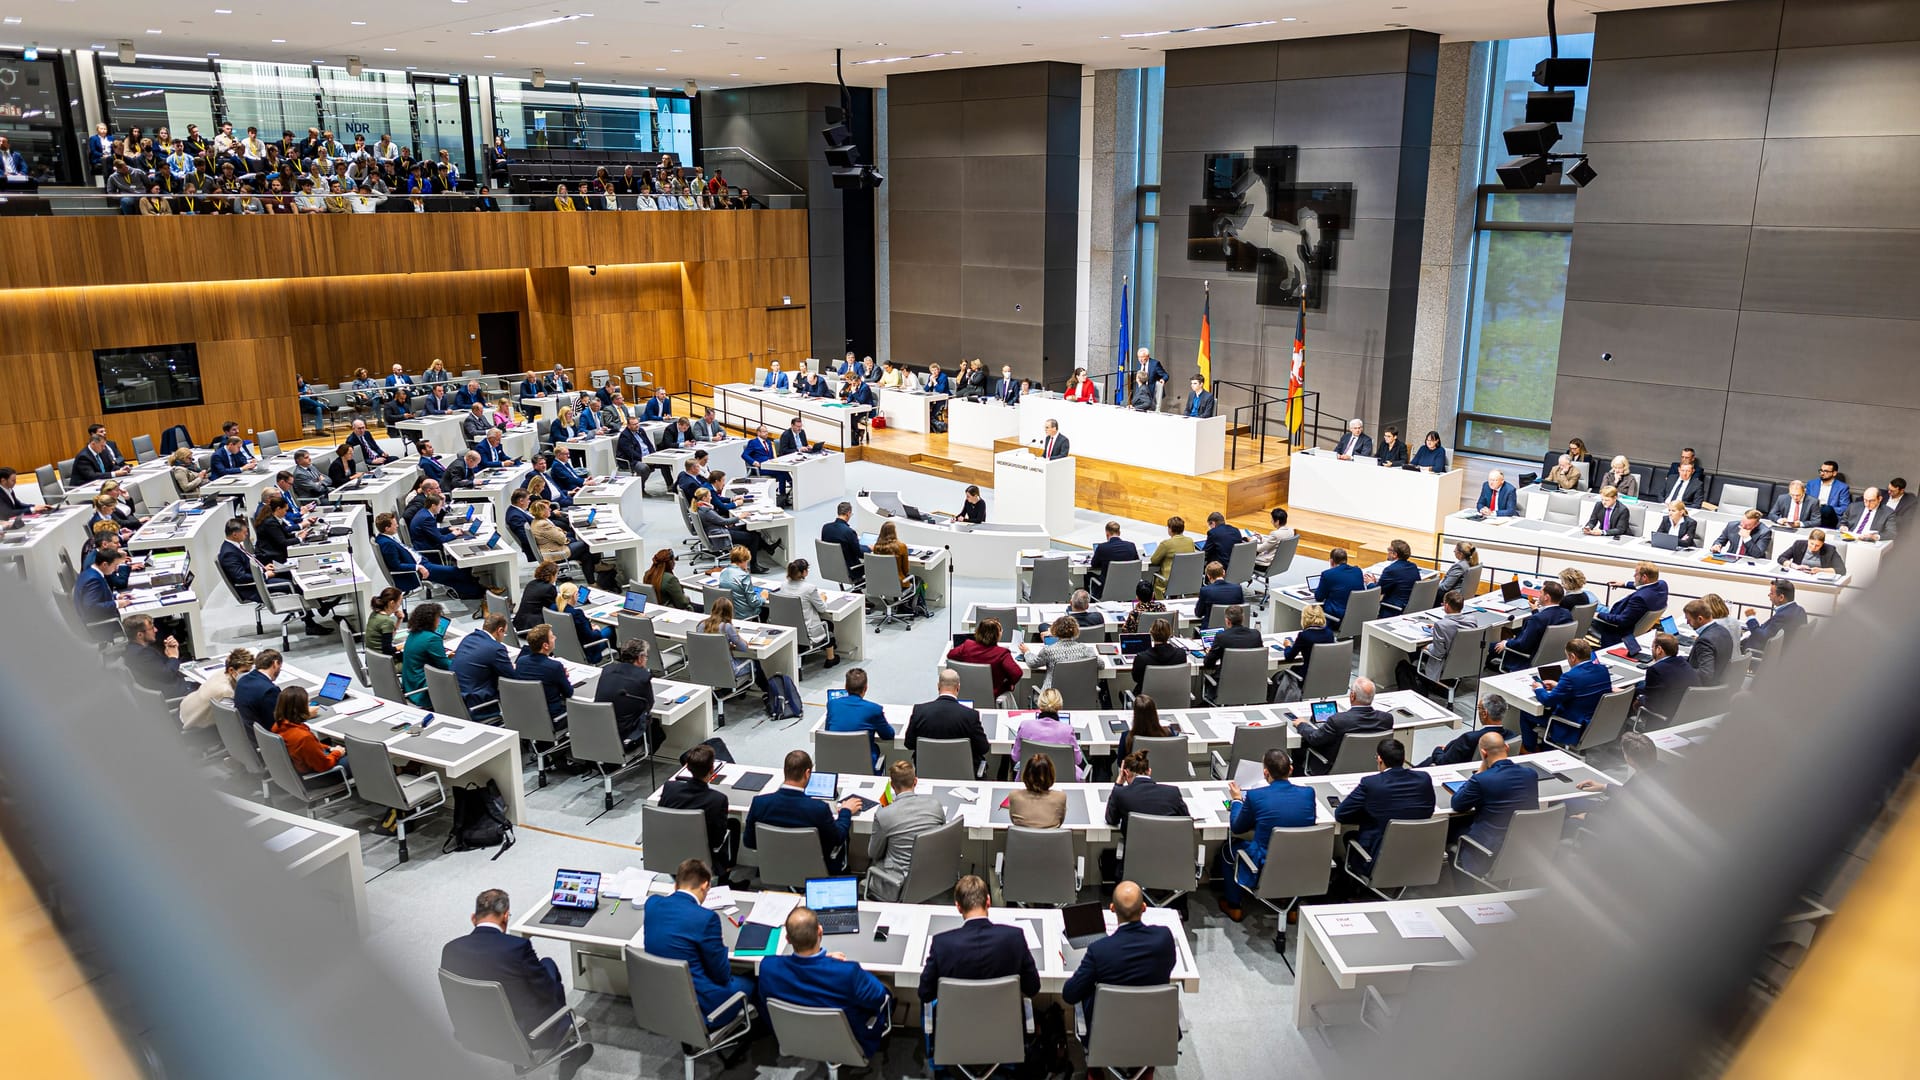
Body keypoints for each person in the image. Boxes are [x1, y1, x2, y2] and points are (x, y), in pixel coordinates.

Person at [441, 890, 593, 1079]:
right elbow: (547, 991)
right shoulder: (516, 948)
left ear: (474, 918)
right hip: (526, 1035)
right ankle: (567, 1045)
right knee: (548, 966)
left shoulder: (450, 949)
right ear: (505, 916)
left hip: (476, 1032)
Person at [920, 874, 1041, 1056]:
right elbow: (1033, 988)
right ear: (989, 901)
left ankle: (935, 1060)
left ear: (958, 906)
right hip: (1004, 1030)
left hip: (956, 1032)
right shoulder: (1014, 938)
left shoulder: (942, 945)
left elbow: (925, 993)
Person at [756, 907, 892, 1057]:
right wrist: (828, 962)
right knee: (886, 987)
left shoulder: (768, 967)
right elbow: (878, 997)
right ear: (820, 931)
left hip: (795, 1040)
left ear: (787, 939)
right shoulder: (848, 973)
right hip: (850, 1044)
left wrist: (824, 960)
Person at [643, 858, 757, 1029]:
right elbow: (722, 974)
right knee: (756, 979)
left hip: (664, 998)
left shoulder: (651, 904)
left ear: (676, 885)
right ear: (705, 886)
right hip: (705, 1006)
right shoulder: (706, 919)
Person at [1062, 881, 1176, 1032]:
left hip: (1108, 1036)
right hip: (1154, 1033)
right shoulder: (1164, 938)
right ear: (1144, 907)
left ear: (1112, 908)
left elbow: (1070, 994)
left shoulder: (1099, 950)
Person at [1216, 748, 1316, 920]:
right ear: (1291, 770)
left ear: (1265, 772)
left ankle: (1234, 906)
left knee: (1228, 849)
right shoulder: (1308, 793)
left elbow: (1237, 827)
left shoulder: (1255, 796)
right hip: (1299, 861)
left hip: (1264, 862)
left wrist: (1237, 800)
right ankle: (1292, 909)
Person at [1330, 736, 1440, 878]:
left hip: (1376, 859)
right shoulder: (1424, 778)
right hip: (1416, 854)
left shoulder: (1371, 783)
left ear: (1380, 759)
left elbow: (1341, 814)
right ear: (1403, 758)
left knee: (1350, 836)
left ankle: (1351, 884)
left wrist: (1367, 814)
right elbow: (1428, 810)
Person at [745, 750, 864, 873]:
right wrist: (846, 811)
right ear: (807, 773)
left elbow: (749, 842)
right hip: (814, 870)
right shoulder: (818, 809)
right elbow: (837, 838)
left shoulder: (759, 803)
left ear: (785, 771)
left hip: (774, 868)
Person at [1449, 732, 1540, 875]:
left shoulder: (1481, 780)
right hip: (1522, 846)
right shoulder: (1530, 774)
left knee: (1451, 827)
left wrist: (1479, 772)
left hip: (1488, 849)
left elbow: (1457, 803)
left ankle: (1464, 888)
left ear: (1483, 753)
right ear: (1507, 748)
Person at [865, 759, 949, 902]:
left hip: (899, 882)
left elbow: (874, 853)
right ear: (915, 781)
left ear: (892, 785)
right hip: (933, 877)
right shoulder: (935, 806)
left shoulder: (884, 815)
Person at [1104, 750, 1188, 881]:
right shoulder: (1172, 793)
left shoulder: (1121, 794)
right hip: (1171, 861)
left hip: (1134, 863)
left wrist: (1118, 784)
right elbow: (1186, 822)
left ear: (1125, 773)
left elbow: (1111, 819)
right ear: (1149, 771)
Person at [374, 510, 487, 605]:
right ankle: (479, 589)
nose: (397, 526)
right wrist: (418, 567)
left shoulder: (386, 538)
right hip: (417, 570)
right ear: (387, 528)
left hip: (422, 562)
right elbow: (396, 566)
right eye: (394, 524)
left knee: (449, 577)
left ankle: (474, 590)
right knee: (458, 571)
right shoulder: (386, 543)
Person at [662, 743, 742, 873]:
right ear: (712, 769)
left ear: (687, 767)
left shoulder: (670, 788)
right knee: (733, 823)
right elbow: (717, 840)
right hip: (702, 855)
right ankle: (726, 870)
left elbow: (662, 816)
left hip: (671, 846)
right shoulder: (718, 800)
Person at [1526, 639, 1611, 751]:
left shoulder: (1570, 677)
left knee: (1526, 712)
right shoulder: (1603, 670)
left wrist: (1539, 688)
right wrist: (1558, 686)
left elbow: (1547, 700)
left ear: (1572, 656)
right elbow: (1583, 690)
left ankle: (1529, 749)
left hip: (1573, 726)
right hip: (1594, 722)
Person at [1294, 677, 1391, 774]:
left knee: (1298, 751)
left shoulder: (1338, 721)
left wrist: (1302, 725)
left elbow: (1314, 738)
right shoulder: (1386, 719)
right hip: (1372, 768)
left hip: (1333, 769)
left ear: (1352, 696)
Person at [905, 668, 991, 775]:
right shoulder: (970, 715)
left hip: (927, 773)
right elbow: (983, 748)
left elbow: (909, 744)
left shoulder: (919, 711)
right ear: (958, 687)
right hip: (962, 775)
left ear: (938, 686)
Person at [1398, 589, 1474, 691]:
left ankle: (1422, 680)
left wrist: (1427, 647)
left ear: (1446, 606)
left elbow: (1438, 653)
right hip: (1462, 661)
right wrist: (1437, 628)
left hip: (1444, 663)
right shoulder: (1472, 619)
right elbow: (1456, 629)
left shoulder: (1441, 625)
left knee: (1414, 650)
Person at [1490, 580, 1571, 672]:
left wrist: (1506, 643)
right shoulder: (1566, 614)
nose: (1538, 595)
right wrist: (1535, 612)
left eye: (1540, 593)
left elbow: (1523, 645)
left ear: (1546, 597)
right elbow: (1546, 622)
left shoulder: (1537, 619)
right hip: (1549, 656)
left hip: (1526, 657)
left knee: (1490, 647)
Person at [824, 667, 893, 773]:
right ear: (865, 688)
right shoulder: (874, 709)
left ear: (846, 687)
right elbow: (888, 735)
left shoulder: (832, 704)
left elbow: (828, 731)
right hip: (865, 767)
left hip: (835, 764)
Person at [450, 613, 516, 719]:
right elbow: (512, 678)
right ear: (499, 631)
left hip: (455, 698)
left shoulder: (469, 638)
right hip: (476, 704)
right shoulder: (496, 648)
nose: (504, 636)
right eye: (504, 633)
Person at [776, 558, 839, 666]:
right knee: (828, 624)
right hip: (807, 630)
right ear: (804, 572)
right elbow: (822, 609)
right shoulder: (809, 588)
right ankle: (830, 658)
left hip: (789, 627)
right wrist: (823, 598)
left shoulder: (783, 585)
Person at [1591, 561, 1668, 649]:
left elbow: (1622, 620)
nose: (1634, 576)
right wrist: (1625, 584)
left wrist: (1598, 615)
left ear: (1644, 577)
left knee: (1590, 605)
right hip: (1634, 626)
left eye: (1636, 574)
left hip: (1615, 629)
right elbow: (1646, 587)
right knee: (1593, 600)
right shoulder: (1662, 585)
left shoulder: (1639, 598)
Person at [946, 615, 1023, 704]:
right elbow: (1017, 673)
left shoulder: (967, 646)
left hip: (966, 694)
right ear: (997, 634)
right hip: (992, 696)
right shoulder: (1002, 653)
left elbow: (950, 655)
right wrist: (1006, 686)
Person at [271, 686, 345, 778]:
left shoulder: (279, 725)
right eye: (307, 704)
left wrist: (329, 748)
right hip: (317, 775)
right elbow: (324, 766)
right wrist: (337, 753)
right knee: (356, 759)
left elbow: (309, 747)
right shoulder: (303, 737)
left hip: (302, 766)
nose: (309, 706)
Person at [1014, 687, 1087, 780]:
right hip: (1062, 781)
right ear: (1059, 705)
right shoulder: (1067, 730)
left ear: (1040, 703)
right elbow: (1078, 760)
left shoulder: (1025, 726)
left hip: (1030, 779)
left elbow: (1015, 757)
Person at [1419, 697, 1512, 767]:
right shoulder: (1511, 736)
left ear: (1484, 713)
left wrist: (1438, 750)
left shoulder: (1469, 738)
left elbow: (1442, 762)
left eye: (1478, 708)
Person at [1019, 616, 1097, 694]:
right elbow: (1100, 664)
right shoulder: (1084, 649)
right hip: (1078, 694)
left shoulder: (1049, 650)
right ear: (1076, 631)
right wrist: (1091, 651)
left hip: (1052, 698)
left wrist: (1027, 652)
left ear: (1054, 631)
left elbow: (1032, 663)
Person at [122, 614, 194, 698]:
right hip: (174, 693)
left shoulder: (133, 649)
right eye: (151, 628)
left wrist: (169, 654)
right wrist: (173, 657)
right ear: (140, 635)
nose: (156, 630)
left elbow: (157, 670)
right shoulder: (142, 654)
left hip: (169, 687)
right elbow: (168, 674)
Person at [514, 624, 574, 721]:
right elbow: (569, 693)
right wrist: (564, 677)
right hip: (554, 718)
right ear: (545, 645)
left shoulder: (521, 661)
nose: (555, 638)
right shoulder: (555, 666)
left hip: (528, 716)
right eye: (552, 637)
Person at [1637, 632, 1697, 721]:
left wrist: (1640, 698)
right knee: (1640, 685)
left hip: (1664, 717)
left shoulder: (1655, 670)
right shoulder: (1684, 663)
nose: (1652, 650)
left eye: (1653, 647)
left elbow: (1651, 704)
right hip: (1686, 712)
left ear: (1659, 650)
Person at [399, 603, 450, 708]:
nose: (439, 621)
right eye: (438, 618)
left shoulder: (413, 634)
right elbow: (446, 666)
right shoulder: (432, 638)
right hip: (423, 690)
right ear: (431, 620)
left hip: (410, 686)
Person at [1201, 604, 1263, 683]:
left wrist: (1210, 653)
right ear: (1243, 618)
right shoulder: (1256, 634)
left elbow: (1208, 664)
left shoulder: (1222, 637)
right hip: (1252, 682)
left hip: (1226, 683)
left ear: (1227, 621)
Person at [1684, 598, 1736, 687]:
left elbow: (1706, 674)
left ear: (1700, 619)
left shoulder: (1705, 641)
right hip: (1720, 681)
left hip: (1701, 690)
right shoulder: (1723, 630)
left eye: (1689, 619)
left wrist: (1682, 669)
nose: (1687, 622)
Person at [1130, 617, 1186, 695]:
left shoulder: (1142, 658)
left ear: (1151, 633)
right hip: (1174, 696)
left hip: (1147, 701)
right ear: (1170, 634)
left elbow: (1136, 679)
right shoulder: (1181, 655)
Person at [1313, 546, 1365, 627]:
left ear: (1331, 561)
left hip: (1336, 620)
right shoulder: (1358, 571)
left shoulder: (1328, 574)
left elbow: (1319, 597)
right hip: (1356, 618)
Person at [1146, 516, 1196, 599]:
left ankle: (1162, 605)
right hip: (1186, 579)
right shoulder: (1190, 541)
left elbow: (1154, 560)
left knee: (1157, 583)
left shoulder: (1166, 544)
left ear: (1170, 529)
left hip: (1168, 581)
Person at [715, 544, 767, 620]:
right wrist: (763, 597)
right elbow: (753, 602)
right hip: (745, 615)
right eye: (746, 562)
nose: (747, 564)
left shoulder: (723, 572)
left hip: (728, 614)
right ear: (742, 561)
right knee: (765, 609)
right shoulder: (744, 576)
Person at [1372, 538, 1422, 614]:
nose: (1387, 552)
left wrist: (1370, 583)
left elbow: (1377, 592)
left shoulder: (1391, 570)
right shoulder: (1413, 566)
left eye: (1389, 550)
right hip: (1408, 607)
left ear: (1395, 554)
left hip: (1393, 609)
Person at [1194, 560, 1244, 626]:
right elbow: (1241, 610)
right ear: (1223, 573)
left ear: (1208, 576)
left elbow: (1198, 613)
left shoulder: (1205, 591)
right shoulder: (1237, 589)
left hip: (1211, 632)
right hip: (1231, 628)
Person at [1777, 528, 1845, 573]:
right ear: (1808, 540)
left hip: (1819, 580)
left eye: (1817, 545)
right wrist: (1795, 566)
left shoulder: (1830, 550)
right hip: (1799, 576)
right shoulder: (1799, 544)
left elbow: (1841, 570)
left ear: (1822, 544)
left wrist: (1821, 570)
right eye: (1811, 543)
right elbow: (1781, 558)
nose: (1813, 547)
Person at [1251, 508, 1297, 574]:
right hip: (1278, 564)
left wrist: (1251, 541)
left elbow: (1260, 549)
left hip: (1265, 565)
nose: (1271, 521)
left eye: (1272, 519)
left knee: (1243, 560)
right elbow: (1275, 542)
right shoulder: (1291, 531)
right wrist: (1261, 538)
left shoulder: (1275, 534)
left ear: (1277, 521)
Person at [1806, 459, 1850, 527]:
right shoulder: (1811, 484)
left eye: (1826, 471)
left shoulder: (1842, 487)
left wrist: (1825, 507)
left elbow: (1844, 508)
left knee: (1826, 509)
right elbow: (1806, 502)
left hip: (1830, 516)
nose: (1822, 473)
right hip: (1813, 513)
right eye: (1821, 470)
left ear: (1834, 473)